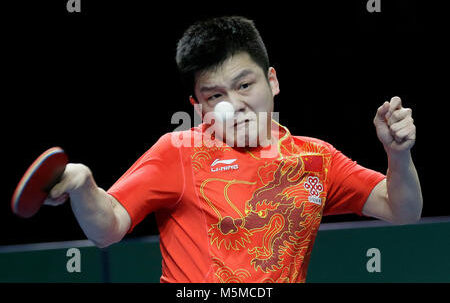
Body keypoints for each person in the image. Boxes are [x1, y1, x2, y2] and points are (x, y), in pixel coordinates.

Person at [46, 16, 422, 283]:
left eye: (244, 85)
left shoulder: (316, 160)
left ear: (272, 81)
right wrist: (84, 185)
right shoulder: (178, 152)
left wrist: (398, 155)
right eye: (215, 95)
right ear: (198, 106)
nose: (235, 105)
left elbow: (402, 210)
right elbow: (107, 228)